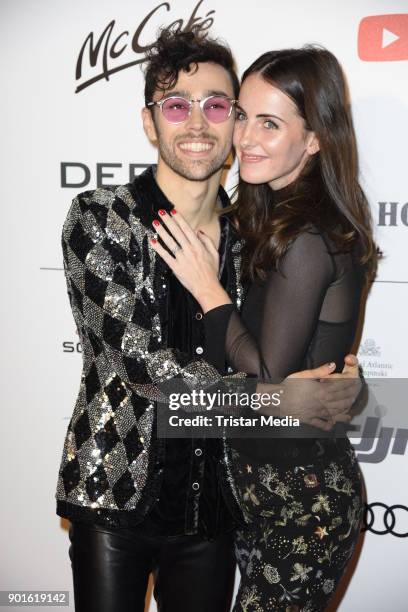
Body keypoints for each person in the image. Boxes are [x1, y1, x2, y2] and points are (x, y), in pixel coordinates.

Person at [57, 30, 362, 612]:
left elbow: (286, 351)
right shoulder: (102, 217)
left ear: (233, 123)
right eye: (176, 105)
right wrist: (272, 403)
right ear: (151, 124)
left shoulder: (253, 234)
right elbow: (140, 365)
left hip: (220, 507)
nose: (197, 123)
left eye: (217, 105)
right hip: (116, 499)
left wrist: (340, 380)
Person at [150, 46, 376, 610]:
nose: (246, 137)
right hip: (261, 495)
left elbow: (274, 377)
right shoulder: (266, 218)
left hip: (303, 504)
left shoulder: (307, 236)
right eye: (245, 115)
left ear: (316, 138)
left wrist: (208, 292)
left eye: (270, 123)